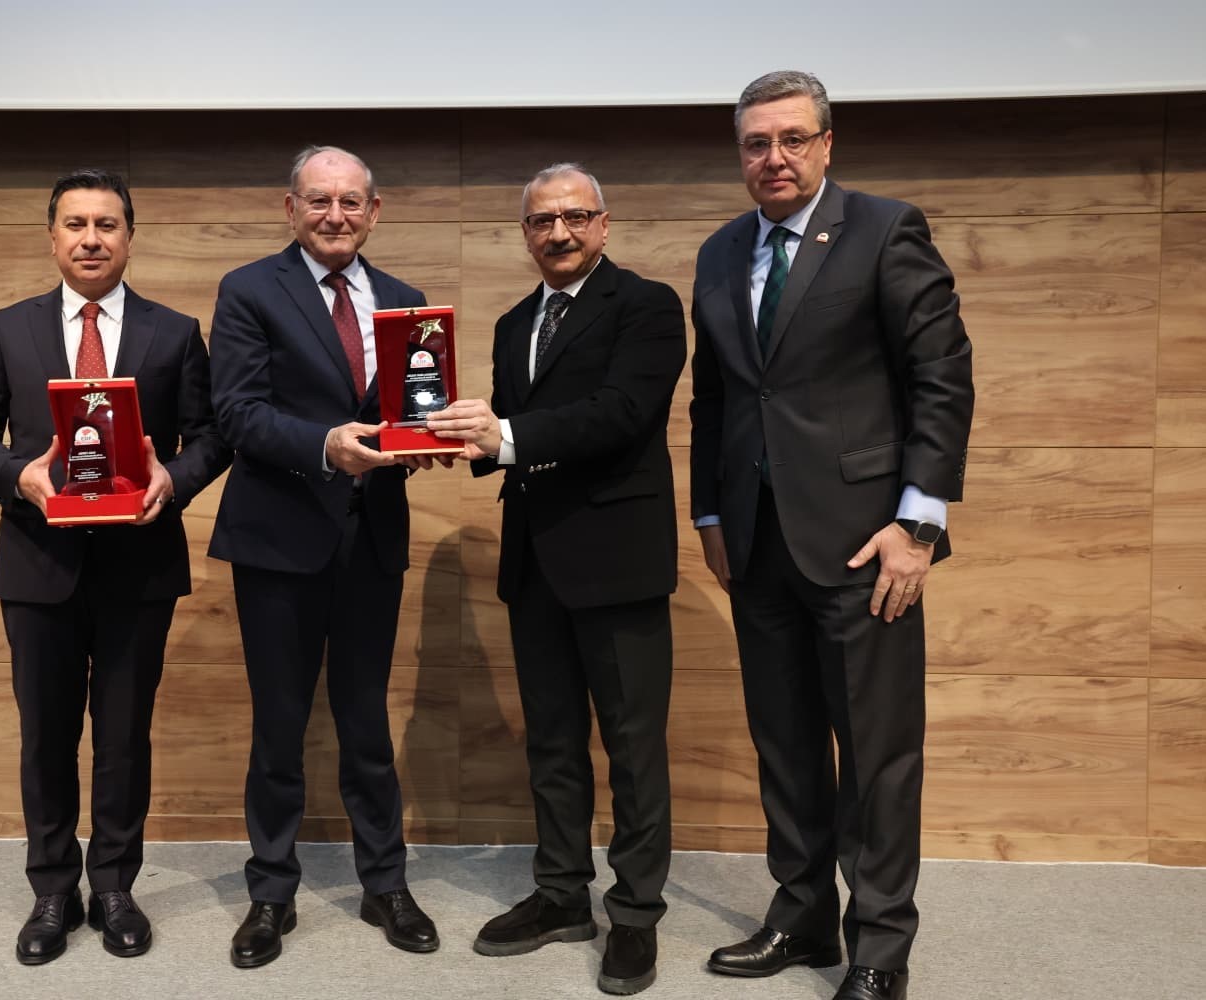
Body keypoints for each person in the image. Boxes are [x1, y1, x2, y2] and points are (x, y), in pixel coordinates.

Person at [689, 71, 975, 1000]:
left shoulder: (886, 230)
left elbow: (941, 377)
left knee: (878, 757)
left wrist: (918, 526)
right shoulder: (721, 251)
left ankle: (881, 950)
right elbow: (716, 397)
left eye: (792, 139)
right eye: (756, 143)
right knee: (786, 745)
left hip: (865, 544)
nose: (773, 157)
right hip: (757, 541)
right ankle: (803, 915)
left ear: (825, 144)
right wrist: (710, 513)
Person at [0, 168, 231, 965]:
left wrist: (175, 479)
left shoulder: (175, 332)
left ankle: (113, 886)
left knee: (123, 737)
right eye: (75, 224)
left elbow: (214, 434)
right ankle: (51, 890)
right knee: (45, 736)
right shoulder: (8, 328)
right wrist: (20, 477)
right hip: (37, 562)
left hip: (140, 565)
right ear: (52, 239)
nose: (91, 239)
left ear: (130, 238)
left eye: (107, 224)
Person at [426, 163, 684, 995]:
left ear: (603, 224)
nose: (559, 232)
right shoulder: (514, 323)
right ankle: (562, 894)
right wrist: (453, 440)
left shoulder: (646, 306)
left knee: (634, 749)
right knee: (553, 743)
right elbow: (515, 435)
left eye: (575, 216)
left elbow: (622, 415)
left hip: (619, 562)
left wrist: (501, 435)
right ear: (525, 233)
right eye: (542, 220)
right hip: (535, 565)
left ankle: (635, 914)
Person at [206, 145, 440, 968]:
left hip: (371, 537)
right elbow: (236, 412)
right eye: (319, 200)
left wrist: (427, 440)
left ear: (373, 212)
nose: (334, 215)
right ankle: (272, 891)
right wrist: (324, 445)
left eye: (350, 202)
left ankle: (385, 883)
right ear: (291, 209)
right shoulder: (248, 290)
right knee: (279, 725)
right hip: (279, 539)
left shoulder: (408, 303)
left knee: (366, 722)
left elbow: (412, 410)